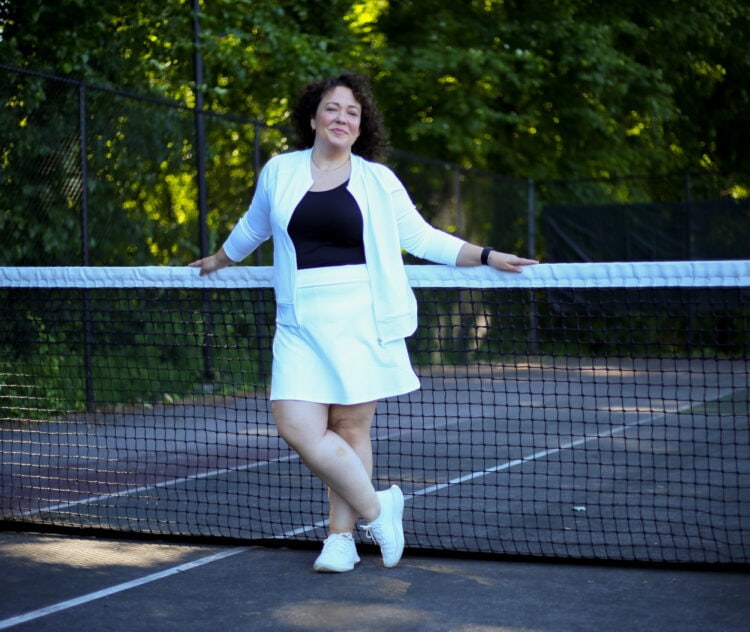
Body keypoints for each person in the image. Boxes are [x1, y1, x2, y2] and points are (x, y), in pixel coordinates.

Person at [190, 72, 537, 573]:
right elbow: (254, 227)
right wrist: (218, 259)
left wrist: (485, 255)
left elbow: (422, 238)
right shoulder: (280, 171)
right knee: (296, 425)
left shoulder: (377, 180)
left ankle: (339, 539)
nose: (341, 118)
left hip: (362, 315)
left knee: (349, 427)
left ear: (360, 127)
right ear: (313, 117)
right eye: (332, 109)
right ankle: (380, 509)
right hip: (299, 320)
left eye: (352, 113)